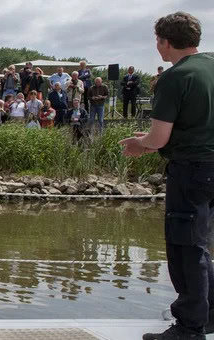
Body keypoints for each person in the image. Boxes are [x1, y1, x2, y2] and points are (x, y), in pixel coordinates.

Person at [119, 13, 214, 340]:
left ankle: (189, 328)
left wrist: (139, 144)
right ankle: (210, 314)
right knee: (200, 244)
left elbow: (159, 139)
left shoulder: (176, 77)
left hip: (192, 170)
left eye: (157, 40)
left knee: (185, 246)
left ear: (165, 41)